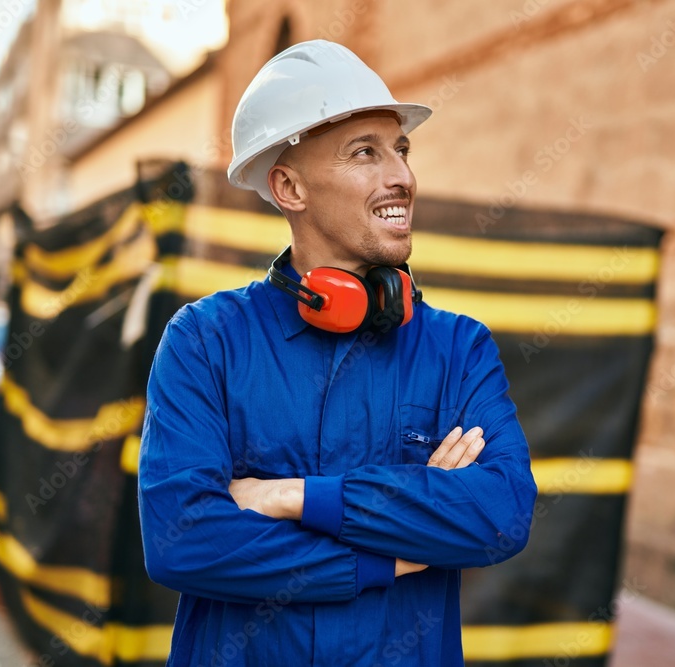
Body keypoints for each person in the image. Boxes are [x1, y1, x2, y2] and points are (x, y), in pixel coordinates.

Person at [138, 40, 537, 666]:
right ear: (289, 187)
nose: (401, 175)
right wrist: (392, 550)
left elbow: (502, 515)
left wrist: (291, 497)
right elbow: (181, 541)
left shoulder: (459, 349)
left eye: (401, 149)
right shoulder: (205, 341)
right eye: (364, 153)